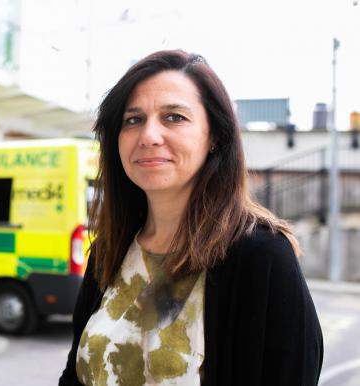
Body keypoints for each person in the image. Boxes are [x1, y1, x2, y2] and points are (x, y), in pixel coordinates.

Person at [59, 50, 323, 386]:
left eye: (174, 117)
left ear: (214, 136)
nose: (149, 135)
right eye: (133, 120)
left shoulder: (262, 257)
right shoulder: (109, 251)